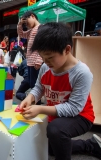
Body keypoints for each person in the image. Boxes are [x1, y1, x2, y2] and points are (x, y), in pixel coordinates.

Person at [19, 22, 101, 159]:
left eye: (50, 57)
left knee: (56, 131)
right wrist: (30, 98)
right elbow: (39, 87)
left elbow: (74, 108)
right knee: (52, 146)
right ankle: (90, 145)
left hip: (81, 116)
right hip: (57, 114)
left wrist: (40, 109)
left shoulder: (82, 73)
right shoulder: (46, 67)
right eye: (43, 57)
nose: (46, 62)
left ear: (67, 50)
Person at [17, 11, 42, 104]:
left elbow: (42, 45)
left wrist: (39, 60)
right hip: (30, 62)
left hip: (36, 62)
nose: (26, 25)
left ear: (32, 16)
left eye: (27, 22)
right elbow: (21, 34)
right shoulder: (32, 30)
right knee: (33, 85)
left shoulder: (40, 28)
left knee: (36, 86)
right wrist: (20, 24)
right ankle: (35, 104)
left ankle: (37, 105)